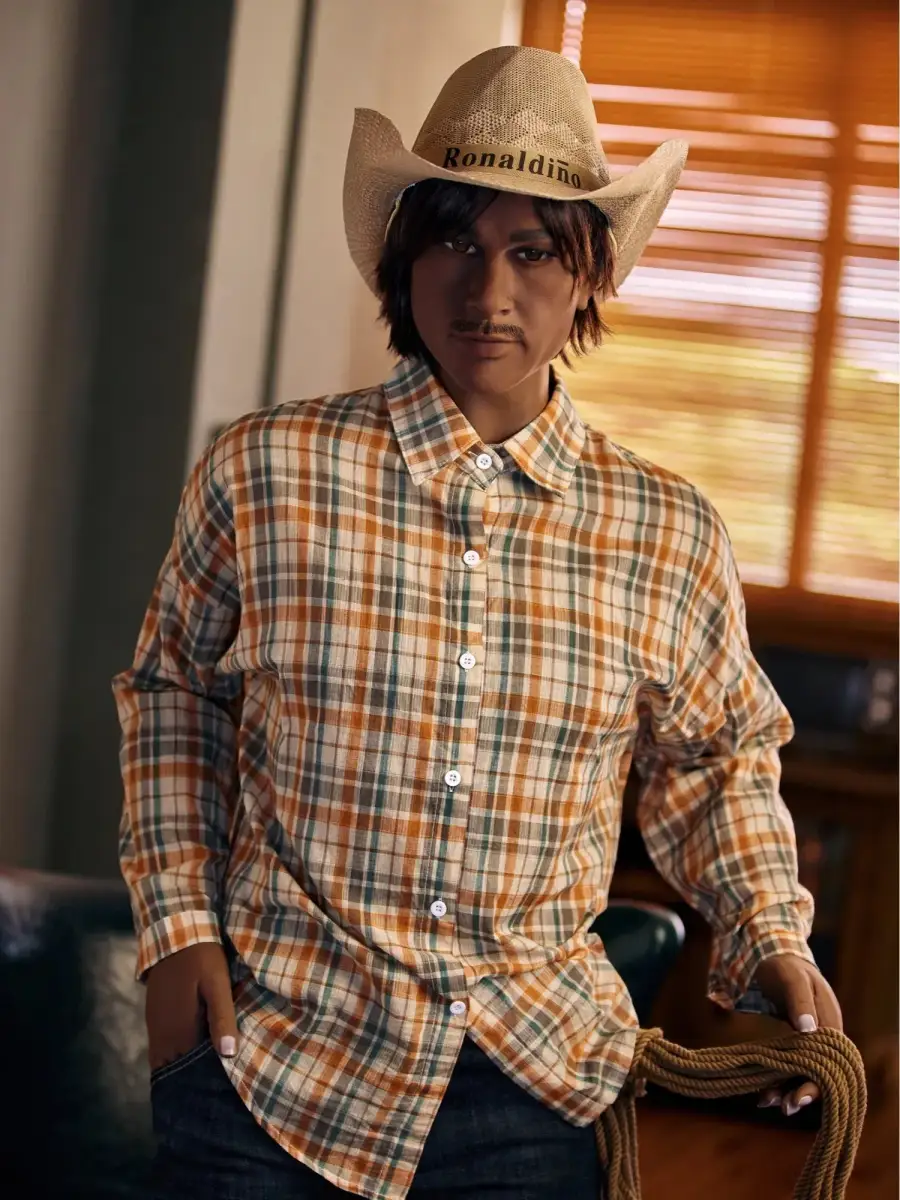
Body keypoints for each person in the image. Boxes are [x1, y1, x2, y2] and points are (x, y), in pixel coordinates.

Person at [114, 44, 843, 1200]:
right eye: (454, 241)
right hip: (272, 1058)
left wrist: (771, 939)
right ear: (404, 260)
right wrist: (178, 931)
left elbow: (713, 766)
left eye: (532, 250)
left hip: (537, 1083)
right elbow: (174, 701)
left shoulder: (667, 530)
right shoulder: (266, 471)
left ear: (590, 272)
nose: (487, 290)